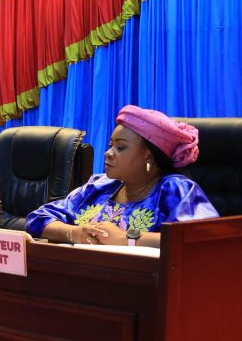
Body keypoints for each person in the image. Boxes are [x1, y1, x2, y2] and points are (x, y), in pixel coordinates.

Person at [25, 105, 219, 247]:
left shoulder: (175, 189)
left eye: (120, 147)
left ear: (148, 156)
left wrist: (128, 238)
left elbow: (203, 240)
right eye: (111, 145)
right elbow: (37, 218)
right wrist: (74, 233)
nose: (108, 153)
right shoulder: (99, 185)